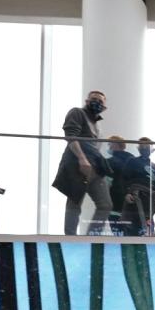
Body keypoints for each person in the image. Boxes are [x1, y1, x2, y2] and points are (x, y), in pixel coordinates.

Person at [53, 90, 113, 235]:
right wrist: (82, 158)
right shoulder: (77, 113)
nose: (97, 103)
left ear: (104, 108)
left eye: (100, 102)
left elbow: (96, 148)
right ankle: (70, 236)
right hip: (77, 163)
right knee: (74, 200)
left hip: (94, 166)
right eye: (94, 99)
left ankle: (91, 236)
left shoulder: (98, 127)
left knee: (105, 204)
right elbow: (71, 136)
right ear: (87, 101)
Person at [122, 137, 155, 237]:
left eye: (147, 146)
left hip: (150, 201)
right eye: (142, 146)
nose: (145, 148)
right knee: (134, 228)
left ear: (152, 149)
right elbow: (124, 179)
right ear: (138, 148)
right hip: (136, 198)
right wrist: (127, 193)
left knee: (148, 225)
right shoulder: (132, 161)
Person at [105, 136, 134, 232]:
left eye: (110, 143)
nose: (108, 146)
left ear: (116, 144)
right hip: (132, 206)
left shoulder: (110, 162)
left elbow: (106, 184)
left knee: (118, 236)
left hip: (115, 204)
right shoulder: (134, 161)